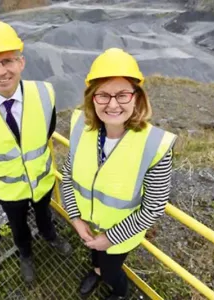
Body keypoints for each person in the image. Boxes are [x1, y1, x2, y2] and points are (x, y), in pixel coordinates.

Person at [0, 19, 71, 284]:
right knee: (18, 226)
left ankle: (51, 237)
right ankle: (26, 255)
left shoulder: (45, 94)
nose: (2, 71)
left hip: (41, 180)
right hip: (8, 190)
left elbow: (47, 130)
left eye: (7, 61)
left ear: (21, 62)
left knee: (45, 215)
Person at [62, 48, 177, 300]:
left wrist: (109, 238)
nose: (112, 104)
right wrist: (75, 219)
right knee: (95, 257)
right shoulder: (81, 127)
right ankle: (96, 270)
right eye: (103, 95)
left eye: (122, 94)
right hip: (87, 227)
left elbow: (154, 207)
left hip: (119, 238)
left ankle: (119, 292)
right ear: (92, 98)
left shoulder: (154, 145)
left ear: (137, 97)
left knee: (113, 271)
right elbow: (68, 174)